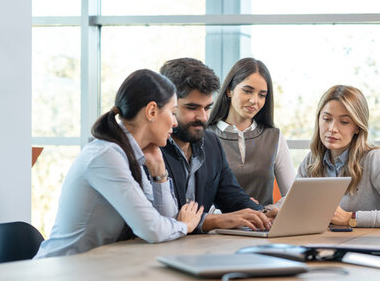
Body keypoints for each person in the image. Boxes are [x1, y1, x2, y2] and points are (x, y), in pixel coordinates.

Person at [35, 70, 202, 258]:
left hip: (97, 270)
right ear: (152, 111)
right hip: (62, 271)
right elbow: (152, 229)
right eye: (172, 113)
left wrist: (159, 172)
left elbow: (165, 221)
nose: (175, 123)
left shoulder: (132, 155)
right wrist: (185, 225)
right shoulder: (106, 156)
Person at [159, 58, 271, 233]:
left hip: (198, 251)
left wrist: (264, 215)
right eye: (192, 108)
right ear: (168, 105)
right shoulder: (151, 148)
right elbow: (162, 218)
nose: (203, 117)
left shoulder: (211, 143)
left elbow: (233, 198)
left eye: (207, 107)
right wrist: (214, 221)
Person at [277, 85, 380, 228]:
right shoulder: (313, 159)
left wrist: (351, 218)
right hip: (328, 243)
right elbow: (292, 201)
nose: (332, 129)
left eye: (344, 122)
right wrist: (267, 211)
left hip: (368, 246)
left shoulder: (375, 159)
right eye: (327, 119)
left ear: (357, 127)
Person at [205, 57, 295, 207]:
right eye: (248, 91)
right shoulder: (205, 136)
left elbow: (293, 194)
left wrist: (264, 211)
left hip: (263, 226)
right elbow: (195, 198)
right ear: (229, 90)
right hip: (218, 227)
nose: (255, 101)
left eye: (262, 95)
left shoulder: (274, 137)